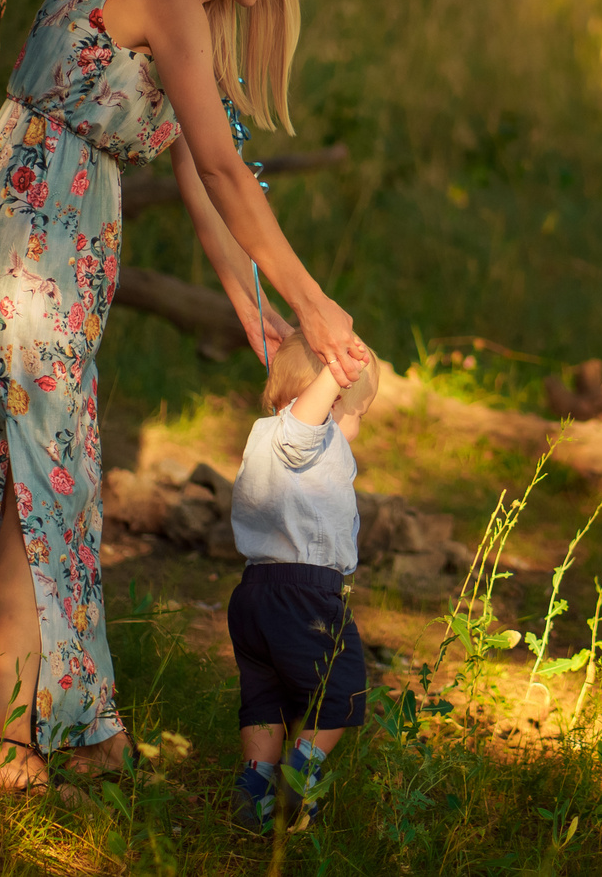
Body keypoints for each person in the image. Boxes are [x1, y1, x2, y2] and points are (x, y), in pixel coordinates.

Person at [0, 0, 374, 795]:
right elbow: (220, 169)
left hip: (36, 226)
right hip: (32, 237)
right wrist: (312, 302)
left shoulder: (173, 5)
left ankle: (54, 721)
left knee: (29, 474)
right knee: (35, 480)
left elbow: (203, 197)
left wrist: (260, 318)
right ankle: (10, 730)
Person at [224, 333, 379, 832]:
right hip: (304, 594)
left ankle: (255, 785)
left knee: (265, 696)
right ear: (332, 399)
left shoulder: (262, 434)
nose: (360, 423)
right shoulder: (305, 433)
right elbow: (307, 421)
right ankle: (301, 770)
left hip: (253, 595)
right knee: (343, 689)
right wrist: (337, 367)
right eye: (359, 411)